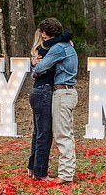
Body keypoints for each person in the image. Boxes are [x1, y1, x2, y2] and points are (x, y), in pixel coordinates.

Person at [32, 18, 78, 185]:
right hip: (68, 92)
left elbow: (40, 68)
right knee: (66, 134)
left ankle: (65, 174)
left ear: (50, 35)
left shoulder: (58, 48)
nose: (44, 41)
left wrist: (35, 64)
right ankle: (67, 171)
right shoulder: (66, 45)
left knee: (62, 135)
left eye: (44, 38)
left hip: (62, 92)